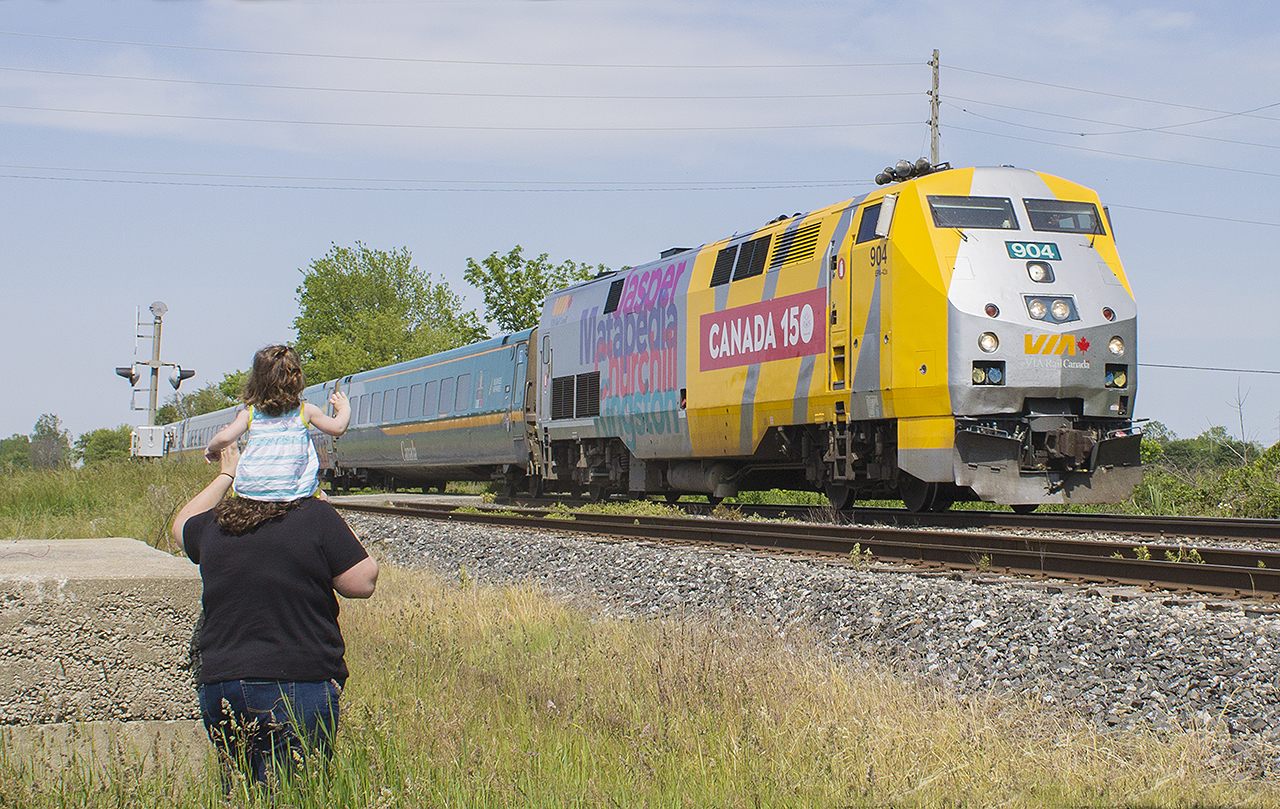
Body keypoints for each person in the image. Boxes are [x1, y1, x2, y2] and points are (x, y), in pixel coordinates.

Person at [173, 442, 379, 786]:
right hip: (298, 682)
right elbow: (363, 581)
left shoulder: (217, 523)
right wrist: (331, 512)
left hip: (224, 686)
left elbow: (181, 527)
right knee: (294, 794)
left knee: (240, 793)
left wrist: (225, 474)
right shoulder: (315, 517)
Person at [205, 344, 350, 501]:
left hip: (251, 493)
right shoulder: (306, 411)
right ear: (297, 378)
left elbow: (224, 438)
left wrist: (211, 448)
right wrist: (344, 408)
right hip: (294, 492)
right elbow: (338, 427)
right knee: (323, 500)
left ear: (256, 381)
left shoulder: (250, 414)